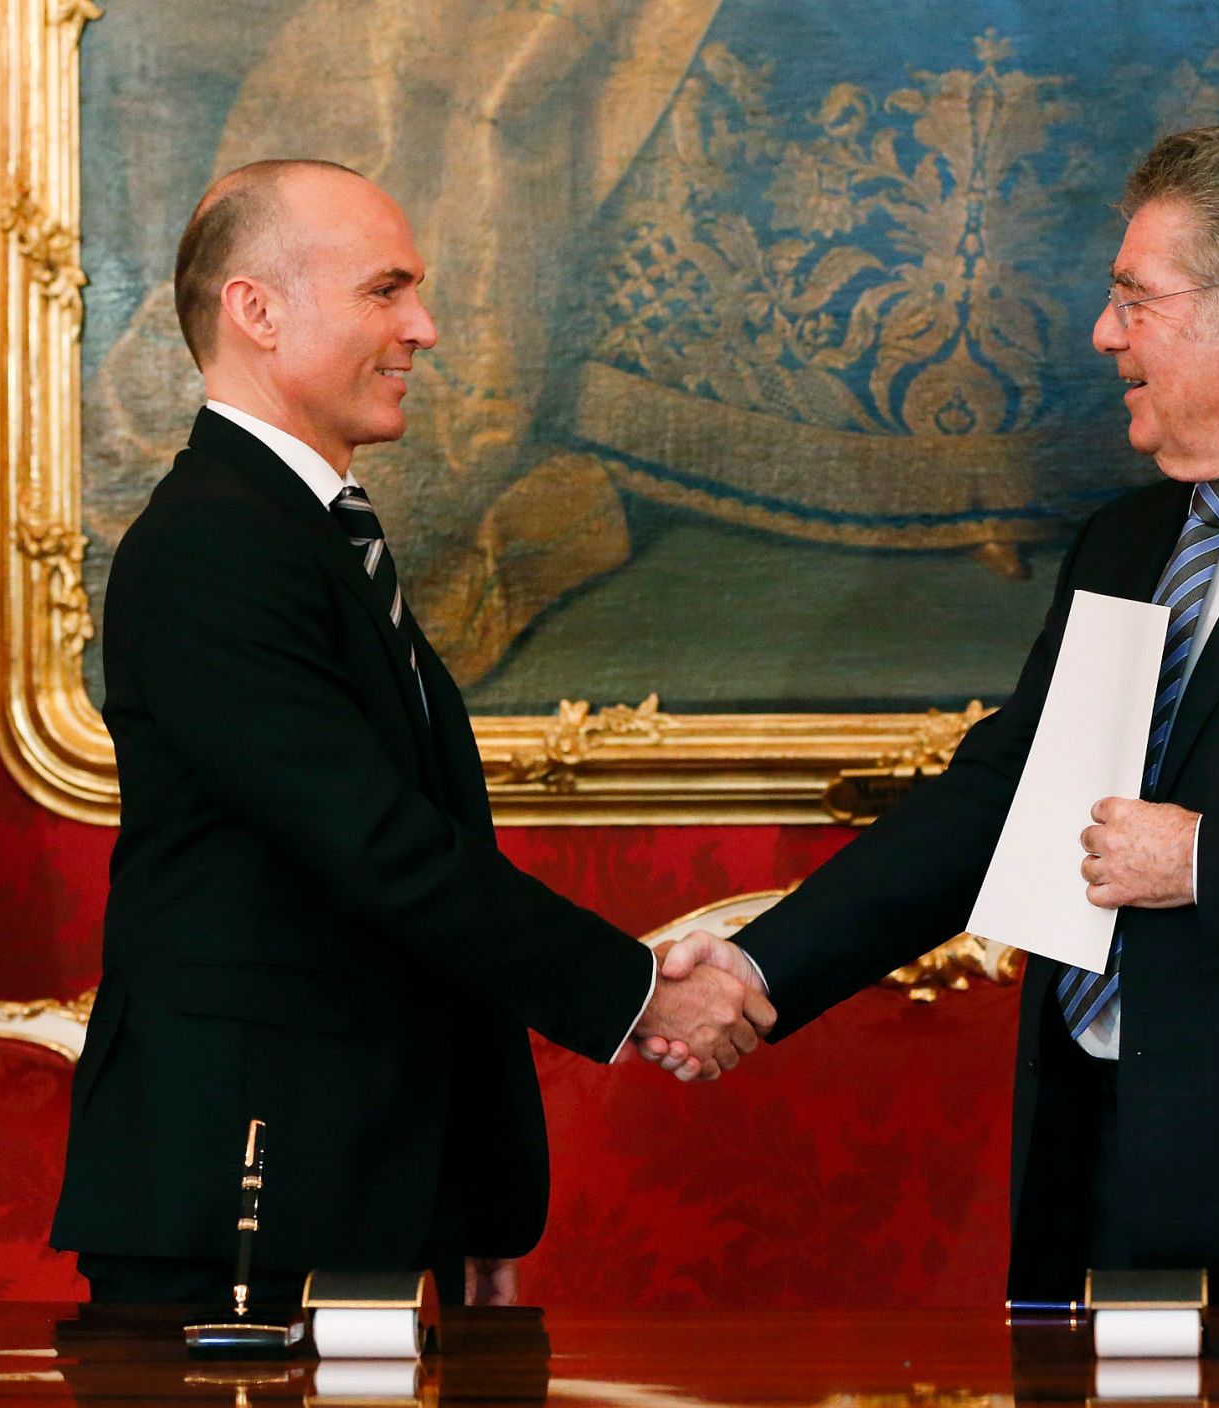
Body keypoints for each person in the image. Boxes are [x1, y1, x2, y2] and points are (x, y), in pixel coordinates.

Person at [653, 121, 1219, 1304]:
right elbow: (1002, 797)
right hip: (1093, 1152)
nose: (1103, 334)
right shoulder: (1127, 541)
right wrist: (756, 968)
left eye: (1132, 299)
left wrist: (1205, 857)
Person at [51, 159, 773, 1307]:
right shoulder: (210, 547)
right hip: (242, 1197)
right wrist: (638, 990)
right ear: (257, 309)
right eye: (386, 291)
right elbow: (375, 846)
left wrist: (479, 1189)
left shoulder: (300, 532)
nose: (423, 328)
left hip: (345, 1185)